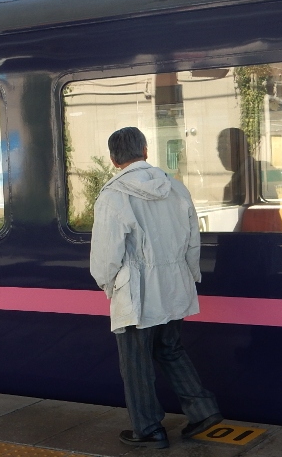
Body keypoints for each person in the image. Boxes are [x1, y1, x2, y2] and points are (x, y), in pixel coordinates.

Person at [90, 127, 222, 449]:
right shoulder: (175, 187)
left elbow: (106, 255)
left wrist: (108, 285)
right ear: (146, 151)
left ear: (113, 159)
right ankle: (203, 411)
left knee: (135, 361)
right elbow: (193, 241)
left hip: (136, 291)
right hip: (174, 284)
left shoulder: (113, 195)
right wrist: (188, 277)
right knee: (170, 348)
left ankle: (148, 429)